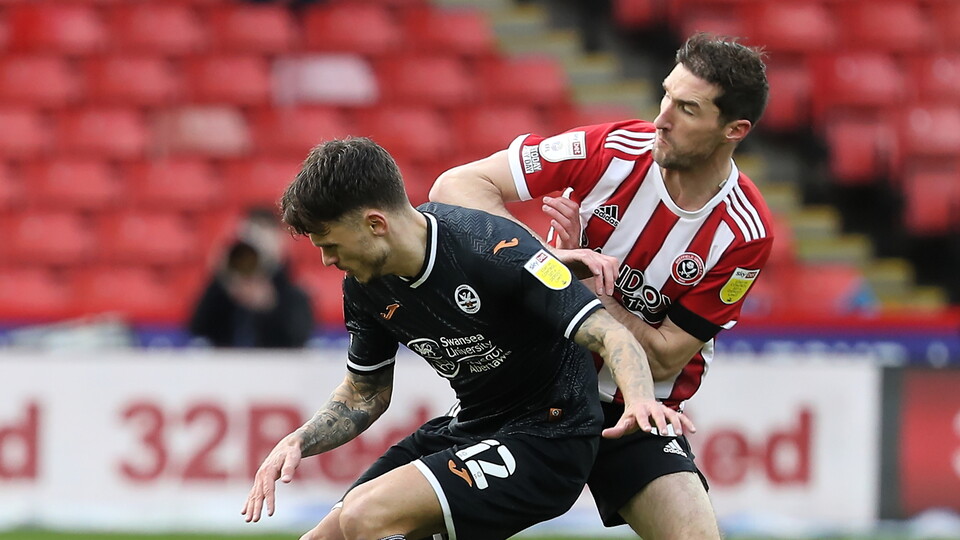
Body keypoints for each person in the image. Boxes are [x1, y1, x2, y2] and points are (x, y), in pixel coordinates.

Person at [241, 137, 690, 540]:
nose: (325, 260)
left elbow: (611, 334)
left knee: (367, 516)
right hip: (473, 426)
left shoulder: (493, 247)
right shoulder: (365, 287)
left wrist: (640, 400)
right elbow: (366, 393)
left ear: (376, 224)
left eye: (329, 243)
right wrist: (298, 441)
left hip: (550, 438)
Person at [430, 32, 773, 539]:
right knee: (399, 524)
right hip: (532, 387)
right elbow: (455, 187)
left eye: (687, 108)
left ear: (734, 129)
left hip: (634, 408)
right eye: (665, 96)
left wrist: (584, 289)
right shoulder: (612, 150)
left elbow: (661, 359)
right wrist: (546, 260)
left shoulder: (742, 233)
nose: (662, 118)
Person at [188, 207, 315, 348]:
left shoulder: (293, 293)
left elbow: (298, 338)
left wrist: (269, 306)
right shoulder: (225, 289)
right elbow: (198, 329)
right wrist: (222, 278)